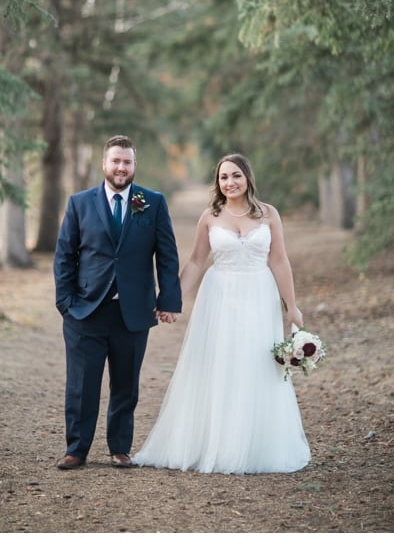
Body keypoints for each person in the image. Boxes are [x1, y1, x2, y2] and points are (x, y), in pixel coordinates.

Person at [131, 153, 310, 473]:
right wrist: (170, 299)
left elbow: (279, 260)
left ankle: (253, 444)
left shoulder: (269, 214)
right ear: (218, 182)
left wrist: (292, 306)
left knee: (256, 365)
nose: (230, 182)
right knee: (219, 363)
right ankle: (214, 442)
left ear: (248, 178)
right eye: (224, 177)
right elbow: (198, 261)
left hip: (259, 295)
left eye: (236, 176)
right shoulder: (210, 216)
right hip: (220, 297)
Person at [52, 135, 181, 470]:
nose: (121, 167)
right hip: (86, 311)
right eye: (116, 161)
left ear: (134, 166)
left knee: (126, 384)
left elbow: (166, 256)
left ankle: (120, 448)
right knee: (81, 386)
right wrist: (66, 302)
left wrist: (169, 300)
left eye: (127, 162)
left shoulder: (152, 202)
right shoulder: (79, 203)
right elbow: (65, 255)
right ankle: (76, 449)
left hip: (133, 312)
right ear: (104, 165)